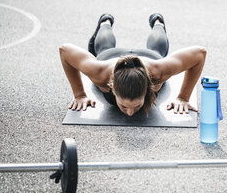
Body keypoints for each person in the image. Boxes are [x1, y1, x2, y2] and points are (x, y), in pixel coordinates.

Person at [60, 13, 206, 116]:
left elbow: (200, 53)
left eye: (137, 106)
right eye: (123, 106)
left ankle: (157, 22)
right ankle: (105, 22)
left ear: (148, 88)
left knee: (157, 51)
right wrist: (79, 94)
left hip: (149, 59)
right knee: (103, 49)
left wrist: (183, 98)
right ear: (113, 88)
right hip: (110, 57)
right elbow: (65, 50)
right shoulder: (100, 73)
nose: (130, 113)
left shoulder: (158, 72)